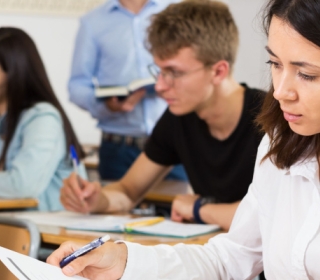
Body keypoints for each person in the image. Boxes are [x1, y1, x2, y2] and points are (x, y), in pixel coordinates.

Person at [48, 0, 320, 278]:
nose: (280, 92)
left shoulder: (262, 121)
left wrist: (201, 209)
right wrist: (124, 260)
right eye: (274, 63)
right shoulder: (281, 143)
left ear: (219, 71)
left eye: (307, 74)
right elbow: (229, 257)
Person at [61, 0, 264, 231]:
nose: (159, 86)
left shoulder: (272, 118)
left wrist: (199, 209)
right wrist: (97, 199)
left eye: (174, 73)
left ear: (218, 71)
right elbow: (128, 191)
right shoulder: (179, 117)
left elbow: (270, 215)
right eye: (159, 71)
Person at [0, 27, 84, 211]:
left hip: (44, 230)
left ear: (14, 76)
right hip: (2, 222)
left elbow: (24, 185)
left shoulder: (43, 118)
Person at [69, 0, 187, 181]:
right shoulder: (93, 22)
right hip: (119, 148)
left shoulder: (177, 12)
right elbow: (76, 86)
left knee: (176, 206)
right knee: (114, 205)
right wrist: (106, 107)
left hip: (173, 143)